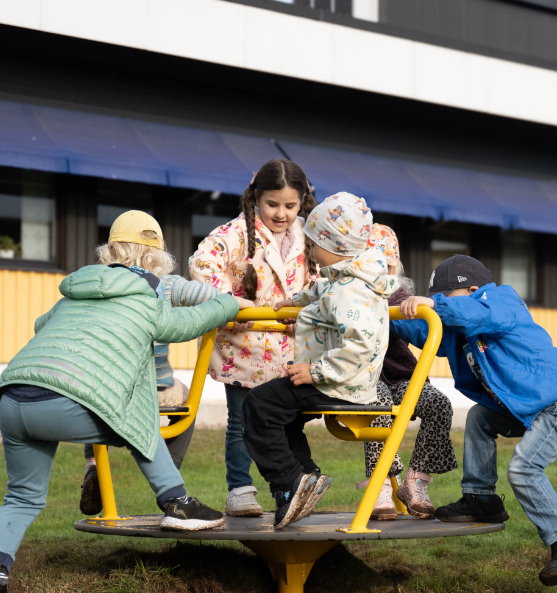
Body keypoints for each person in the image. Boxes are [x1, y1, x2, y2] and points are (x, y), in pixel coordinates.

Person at [0, 242, 250, 593]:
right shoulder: (144, 297)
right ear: (151, 277)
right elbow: (185, 325)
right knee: (137, 412)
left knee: (22, 497)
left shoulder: (72, 296)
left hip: (13, 398)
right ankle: (177, 503)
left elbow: (41, 325)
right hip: (65, 399)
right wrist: (228, 303)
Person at [395, 256, 557, 586]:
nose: (439, 307)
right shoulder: (454, 325)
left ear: (474, 289)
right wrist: (380, 316)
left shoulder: (500, 300)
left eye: (447, 298)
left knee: (524, 469)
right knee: (479, 417)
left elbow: (477, 313)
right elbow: (419, 326)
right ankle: (481, 498)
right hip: (524, 405)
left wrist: (433, 303)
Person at [242, 192, 396, 528]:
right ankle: (304, 479)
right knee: (282, 414)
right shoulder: (351, 277)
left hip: (339, 381)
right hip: (344, 379)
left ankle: (289, 484)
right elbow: (322, 290)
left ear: (337, 246)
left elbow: (359, 343)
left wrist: (316, 371)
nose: (310, 252)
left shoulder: (349, 291)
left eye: (313, 244)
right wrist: (294, 301)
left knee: (258, 405)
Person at [189, 159, 316, 518]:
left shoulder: (308, 237)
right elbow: (201, 267)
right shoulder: (234, 234)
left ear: (302, 202)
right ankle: (240, 489)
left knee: (284, 420)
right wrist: (234, 302)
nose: (281, 214)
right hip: (243, 346)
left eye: (290, 206)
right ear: (255, 197)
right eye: (272, 204)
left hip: (288, 346)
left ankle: (294, 481)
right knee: (241, 418)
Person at [78, 210, 222, 515]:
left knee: (93, 388)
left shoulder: (98, 283)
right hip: (153, 389)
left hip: (106, 387)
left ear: (112, 249)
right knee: (187, 399)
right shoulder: (165, 285)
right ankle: (169, 470)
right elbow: (207, 295)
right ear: (159, 253)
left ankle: (93, 466)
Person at [359, 223, 457, 519]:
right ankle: (380, 485)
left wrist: (419, 315)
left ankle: (416, 480)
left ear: (395, 268)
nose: (379, 273)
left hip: (401, 375)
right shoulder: (347, 295)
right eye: (370, 264)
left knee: (439, 404)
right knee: (377, 406)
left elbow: (425, 332)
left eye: (386, 265)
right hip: (364, 378)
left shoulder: (398, 297)